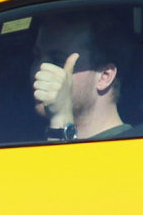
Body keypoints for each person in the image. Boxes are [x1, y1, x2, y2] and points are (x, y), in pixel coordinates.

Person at [31, 13, 134, 141]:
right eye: (37, 57)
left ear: (104, 76)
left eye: (58, 60)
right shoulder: (25, 136)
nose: (38, 71)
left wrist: (61, 121)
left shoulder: (130, 151)